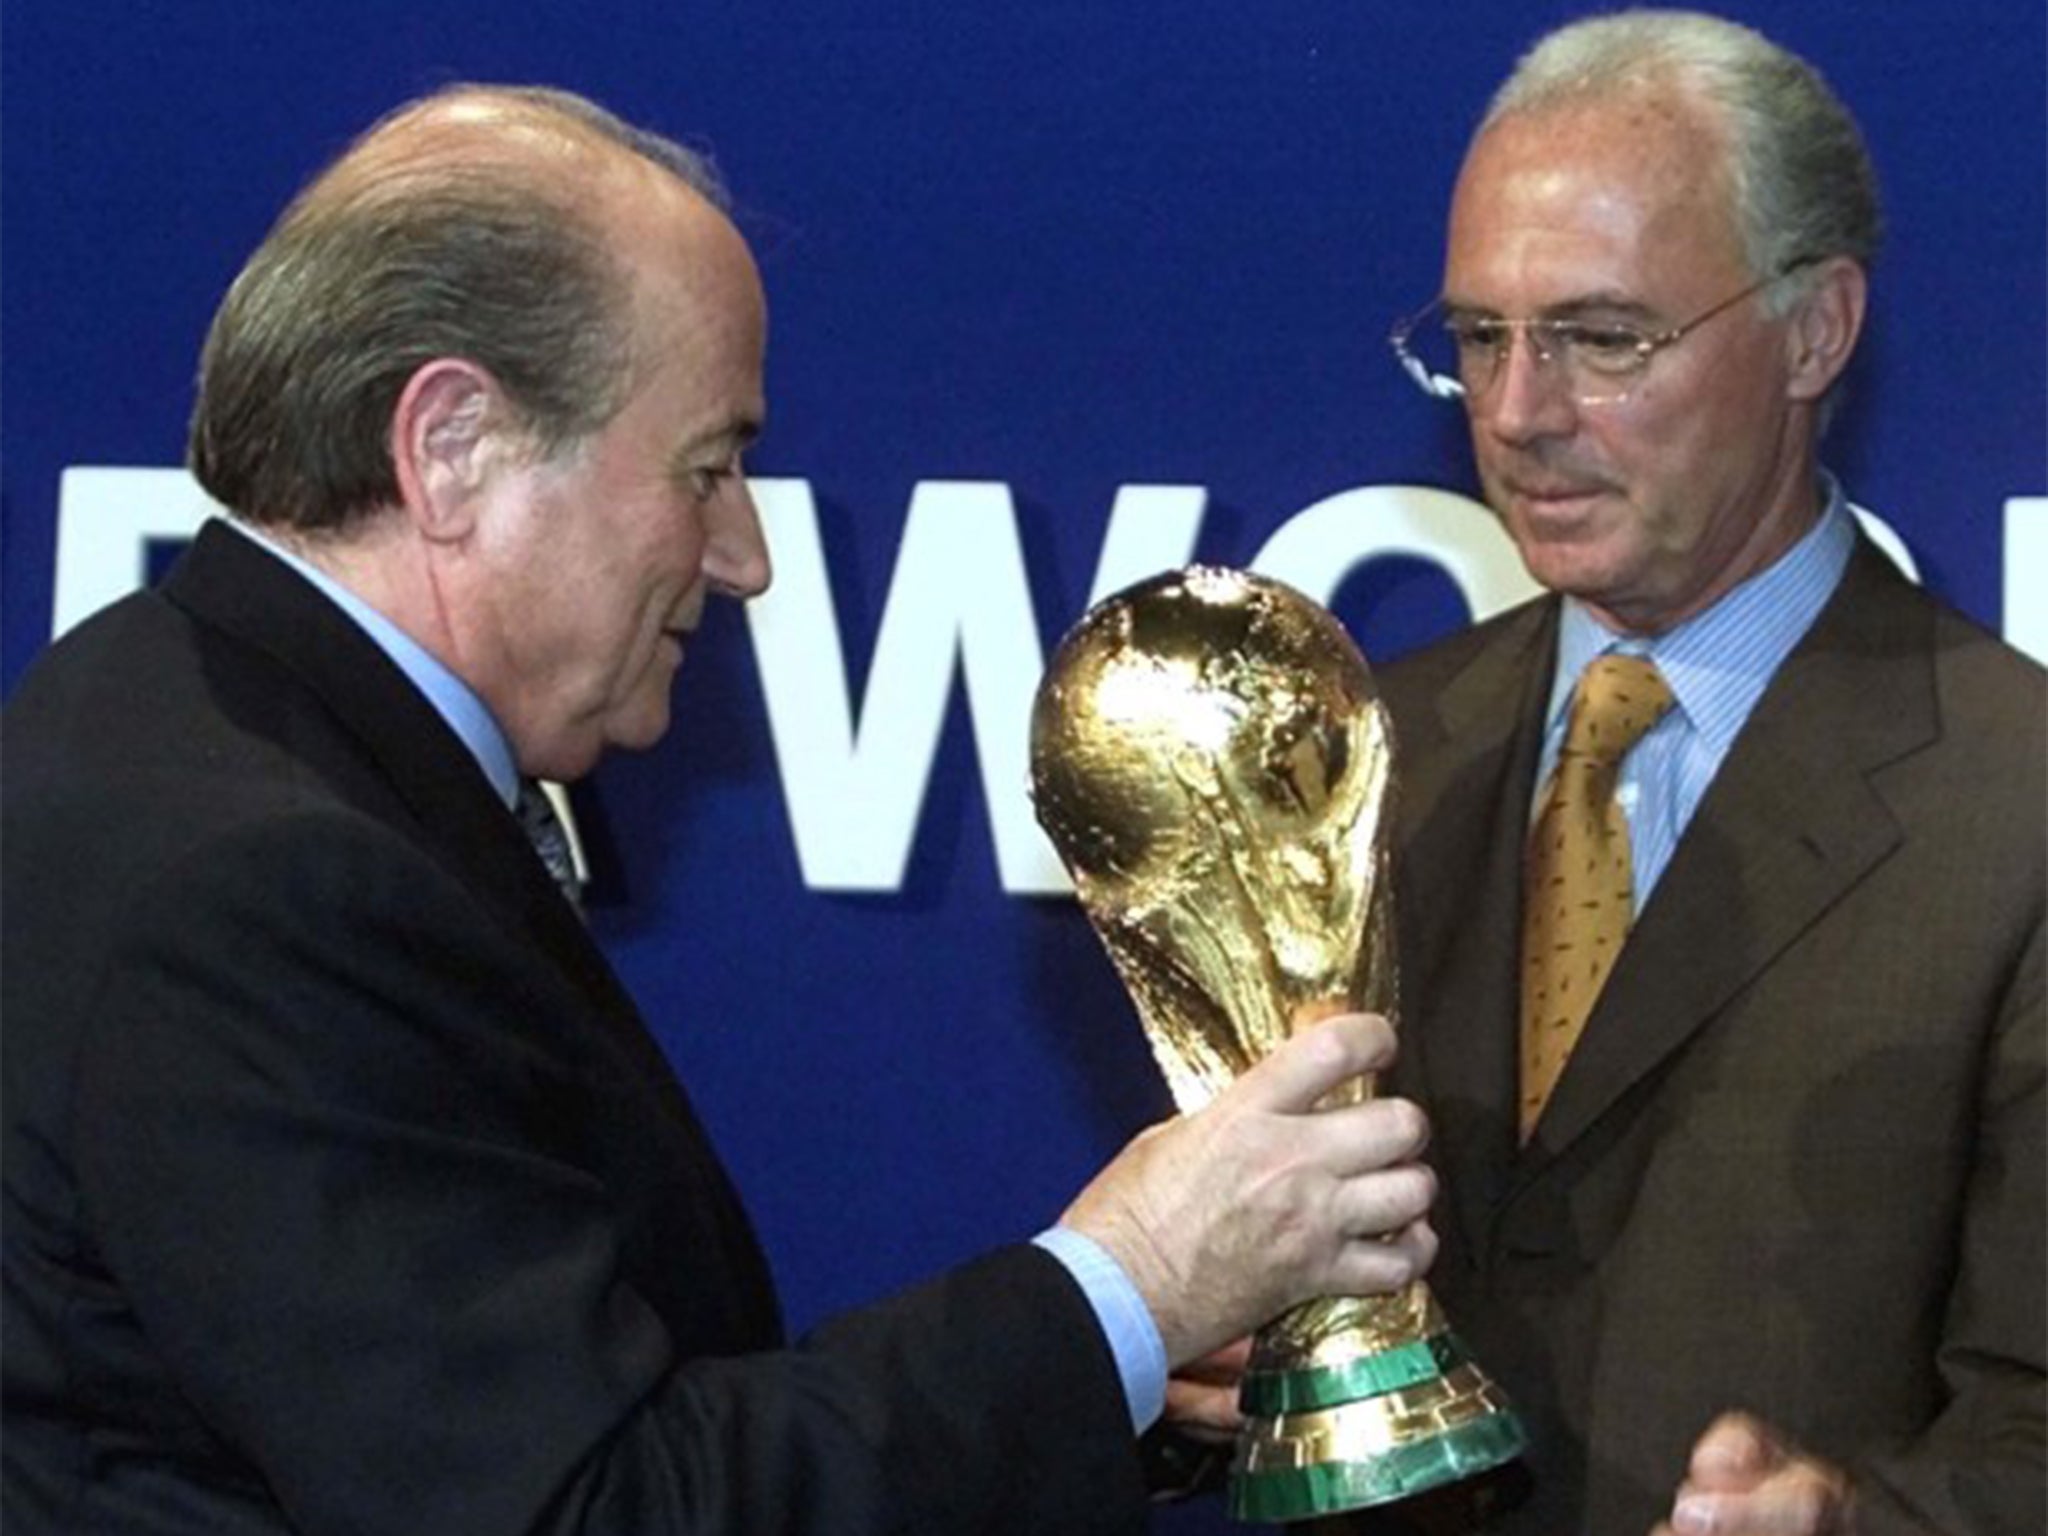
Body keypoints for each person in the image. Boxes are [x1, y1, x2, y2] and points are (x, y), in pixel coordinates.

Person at [0, 85, 1445, 1534]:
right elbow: (590, 1509)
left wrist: (1109, 1366)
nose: (746, 555)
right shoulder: (269, 880)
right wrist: (1127, 1285)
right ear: (451, 448)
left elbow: (588, 1416)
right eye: (710, 467)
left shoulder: (167, 710)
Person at [1363, 10, 2045, 1535]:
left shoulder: (2022, 808)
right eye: (1481, 338)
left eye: (1604, 338)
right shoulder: (1369, 759)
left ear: (1816, 330)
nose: (1521, 415)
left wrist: (1847, 1522)